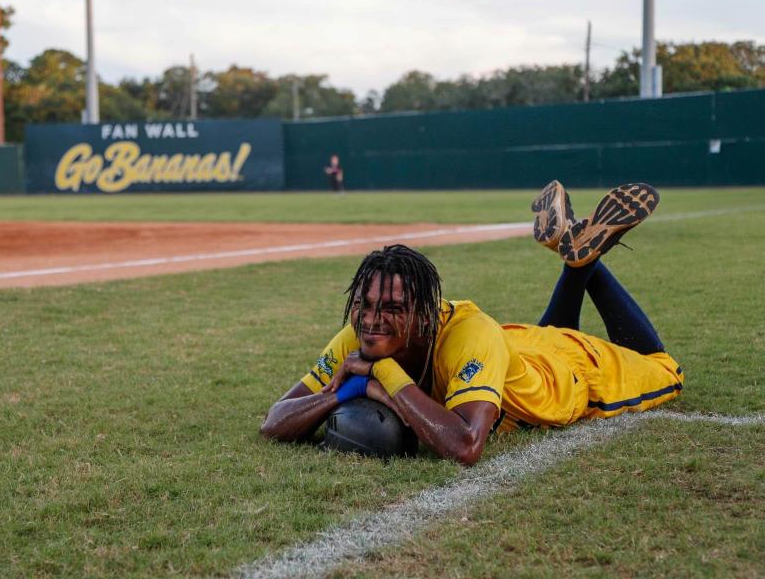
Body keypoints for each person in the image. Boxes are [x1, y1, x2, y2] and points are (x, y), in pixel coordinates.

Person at [260, 181, 682, 465]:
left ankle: (584, 263)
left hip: (572, 377)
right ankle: (577, 260)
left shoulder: (465, 333)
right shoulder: (363, 333)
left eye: (390, 308)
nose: (372, 320)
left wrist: (381, 375)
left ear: (424, 316)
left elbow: (465, 445)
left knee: (663, 366)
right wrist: (349, 389)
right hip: (516, 348)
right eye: (364, 304)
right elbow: (275, 421)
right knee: (547, 339)